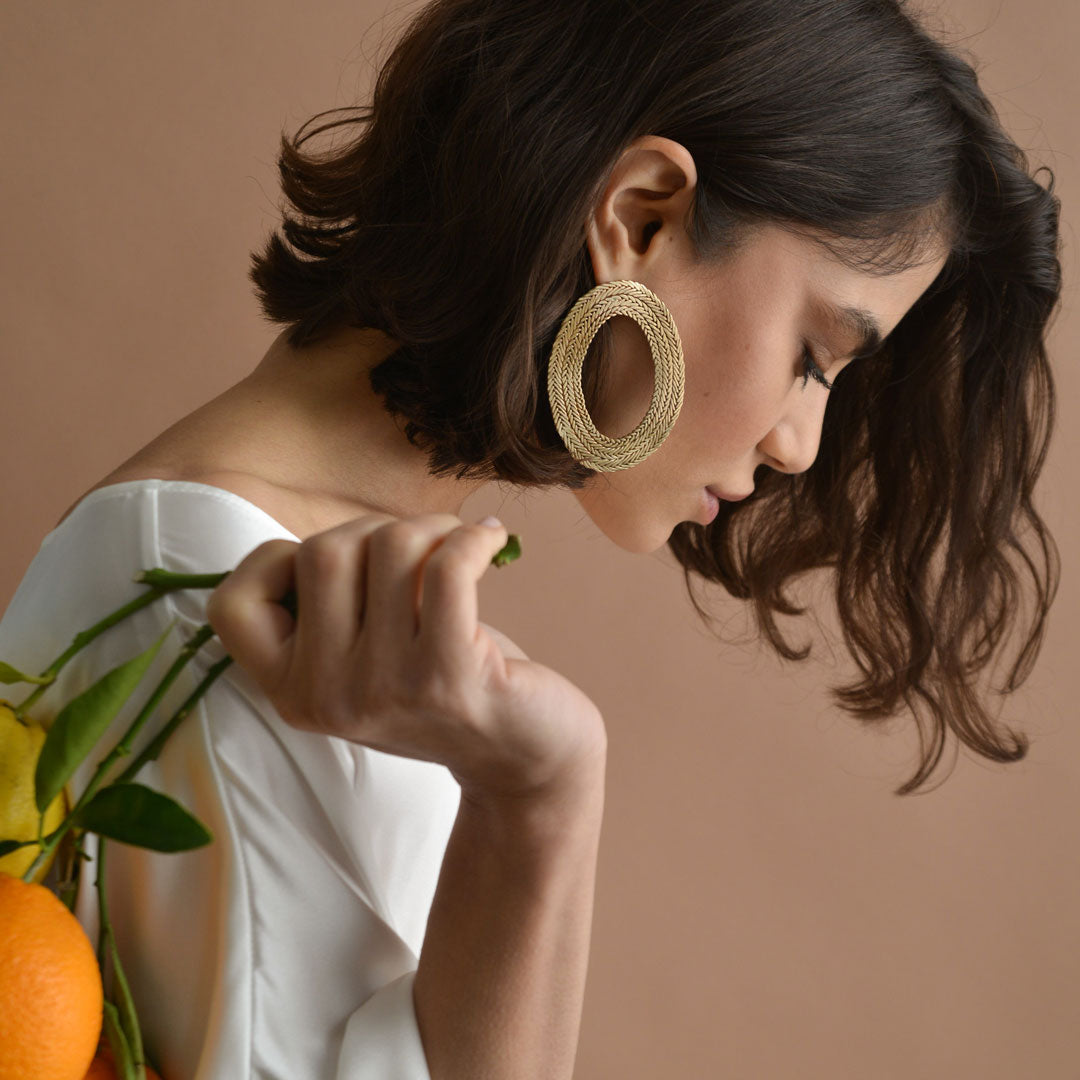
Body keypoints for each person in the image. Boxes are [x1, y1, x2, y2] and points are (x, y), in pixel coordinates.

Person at [0, 0, 1062, 1076]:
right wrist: (548, 797)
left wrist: (539, 800)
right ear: (640, 218)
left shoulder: (271, 572)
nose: (801, 445)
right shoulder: (225, 600)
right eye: (813, 357)